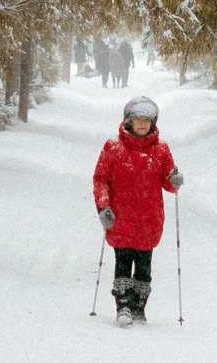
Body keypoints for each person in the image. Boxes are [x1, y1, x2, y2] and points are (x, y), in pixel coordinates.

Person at [92, 96, 184, 325]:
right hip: (121, 217)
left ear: (153, 122)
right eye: (137, 119)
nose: (142, 124)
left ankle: (139, 307)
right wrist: (104, 207)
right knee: (122, 264)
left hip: (148, 219)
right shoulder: (113, 147)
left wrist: (175, 179)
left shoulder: (161, 150)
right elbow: (101, 179)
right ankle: (123, 306)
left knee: (144, 267)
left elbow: (168, 182)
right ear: (128, 121)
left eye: (147, 120)